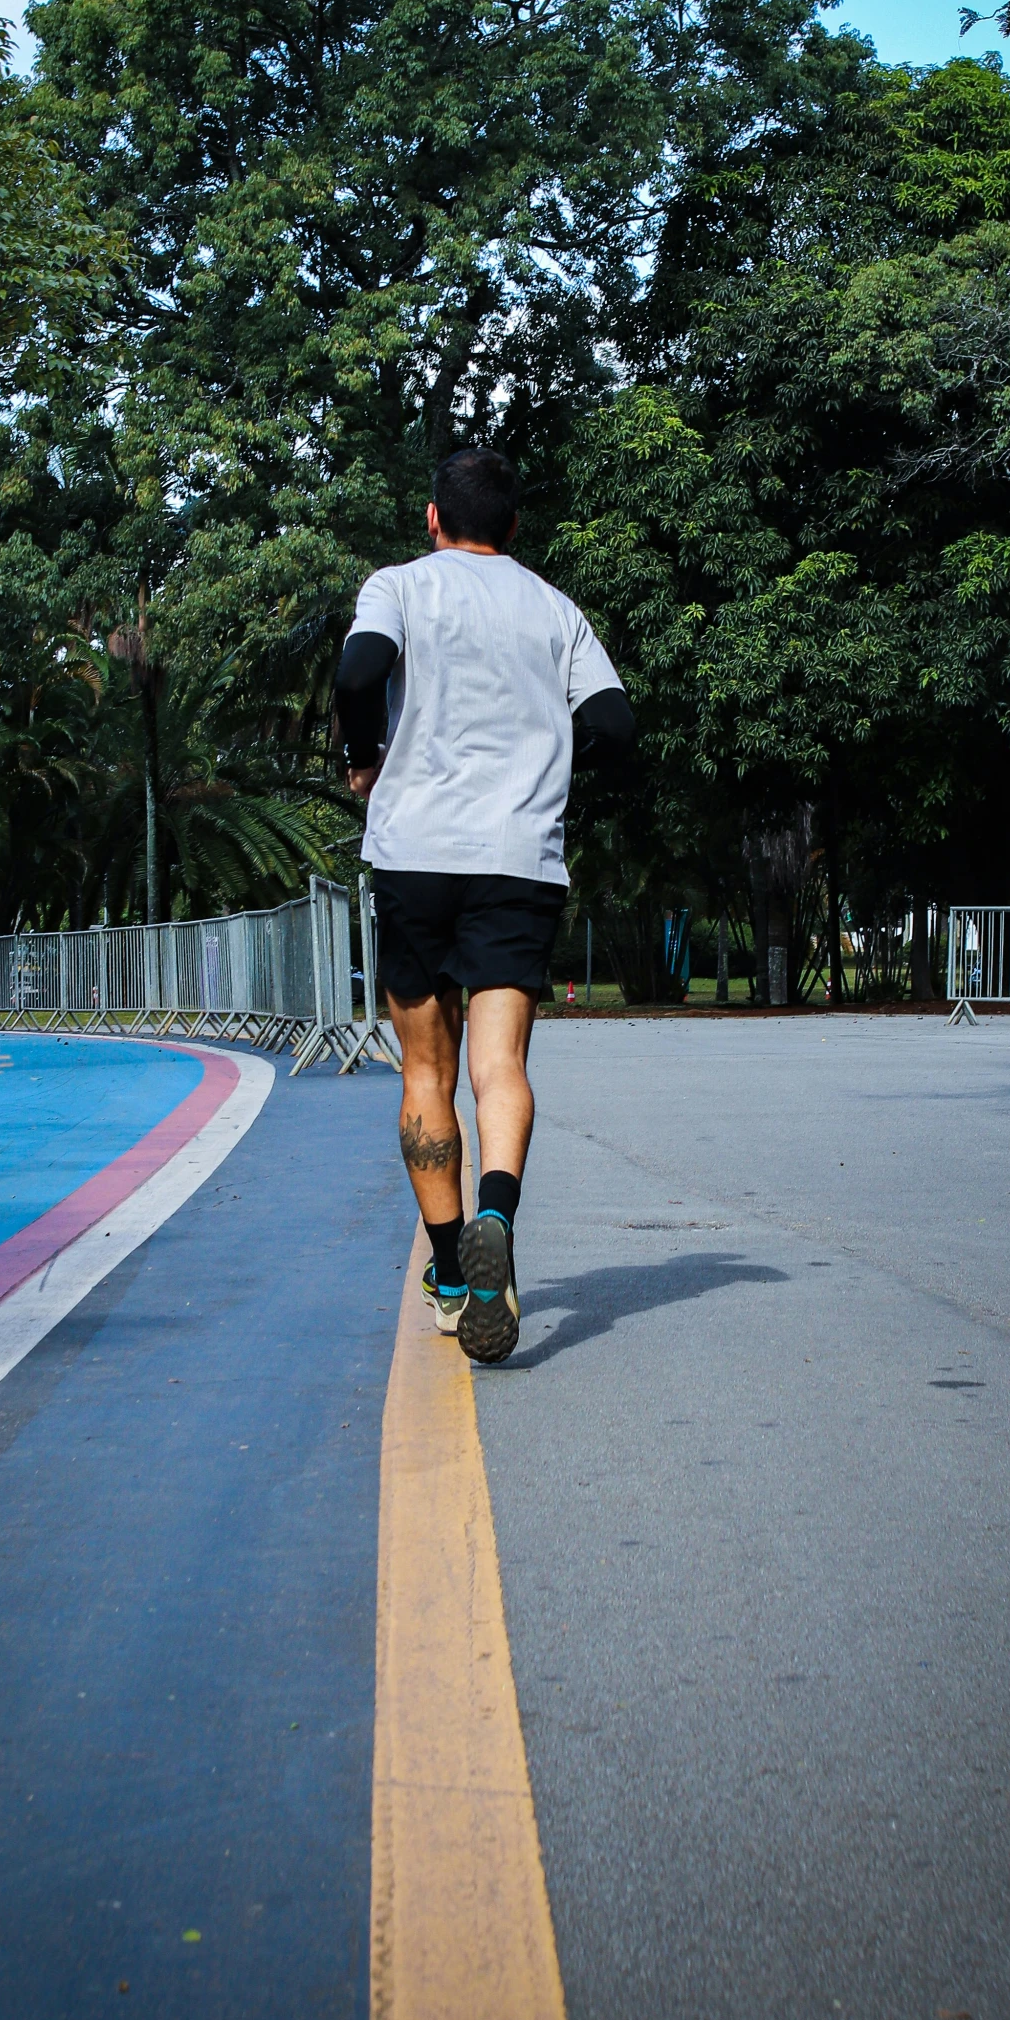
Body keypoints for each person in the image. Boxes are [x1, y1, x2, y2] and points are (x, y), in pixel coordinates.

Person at [334, 447, 634, 1363]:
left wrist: (364, 753)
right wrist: (553, 796)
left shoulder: (398, 586)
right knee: (498, 1065)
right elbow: (614, 724)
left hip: (416, 857)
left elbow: (359, 673)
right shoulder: (555, 609)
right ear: (514, 528)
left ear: (434, 519)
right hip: (518, 862)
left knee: (426, 1073)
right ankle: (495, 1217)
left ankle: (454, 1278)